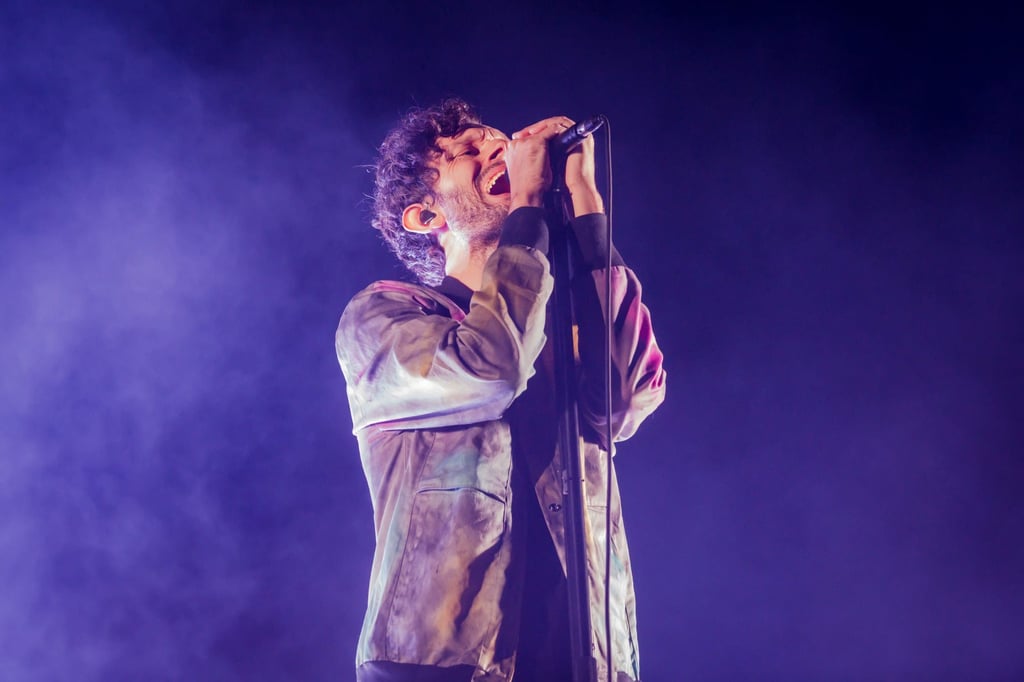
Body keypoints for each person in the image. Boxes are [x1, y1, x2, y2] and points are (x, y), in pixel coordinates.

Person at [335, 99, 666, 682]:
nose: (497, 150)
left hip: (586, 659)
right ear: (424, 216)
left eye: (496, 141)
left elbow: (629, 398)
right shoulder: (384, 318)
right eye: (467, 153)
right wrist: (529, 210)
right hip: (447, 664)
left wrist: (585, 202)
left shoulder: (551, 320)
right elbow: (492, 368)